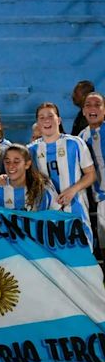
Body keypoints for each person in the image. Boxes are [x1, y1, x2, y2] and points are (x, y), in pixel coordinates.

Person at [28, 102, 96, 249]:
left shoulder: (75, 143)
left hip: (76, 208)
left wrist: (72, 190)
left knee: (82, 256)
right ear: (38, 123)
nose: (46, 120)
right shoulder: (30, 150)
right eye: (42, 117)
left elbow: (91, 175)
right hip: (45, 213)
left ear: (58, 120)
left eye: (50, 116)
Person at [0, 144, 61, 211]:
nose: (11, 166)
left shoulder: (43, 186)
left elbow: (59, 214)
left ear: (27, 164)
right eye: (7, 162)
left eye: (16, 162)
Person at [79, 92, 105, 249]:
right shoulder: (81, 136)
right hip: (99, 199)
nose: (92, 108)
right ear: (83, 111)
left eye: (97, 104)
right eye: (88, 105)